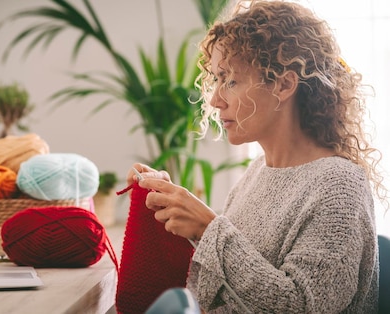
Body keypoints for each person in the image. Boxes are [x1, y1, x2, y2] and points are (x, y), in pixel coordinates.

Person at [127, 0, 387, 312]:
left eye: (231, 80)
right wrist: (172, 207)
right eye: (217, 79)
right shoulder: (257, 172)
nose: (215, 99)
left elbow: (300, 306)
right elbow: (231, 283)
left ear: (283, 84)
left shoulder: (340, 187)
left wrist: (208, 228)